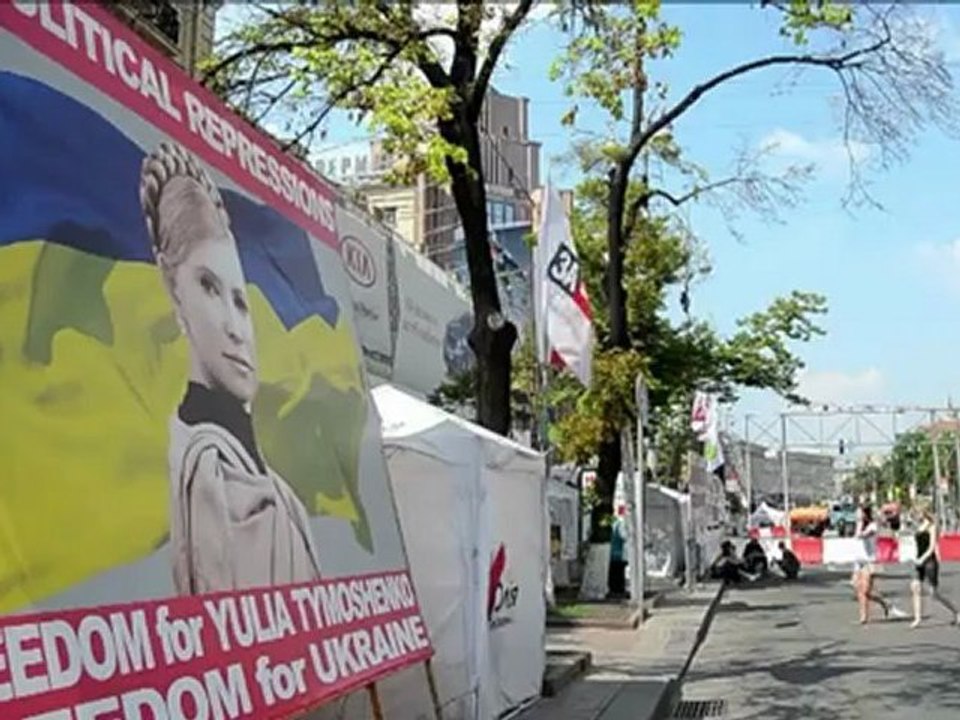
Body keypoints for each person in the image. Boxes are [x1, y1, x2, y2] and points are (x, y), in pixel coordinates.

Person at [140, 142, 322, 595]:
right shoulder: (208, 468)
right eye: (208, 286)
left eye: (240, 301)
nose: (235, 327)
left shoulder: (265, 477)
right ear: (171, 285)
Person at [910, 507, 960, 628]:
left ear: (924, 512)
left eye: (918, 513)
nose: (917, 516)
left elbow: (932, 546)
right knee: (915, 587)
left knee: (934, 593)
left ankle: (956, 611)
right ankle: (917, 618)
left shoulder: (932, 526)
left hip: (929, 561)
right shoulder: (918, 526)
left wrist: (923, 558)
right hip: (918, 560)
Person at [854, 505, 893, 624]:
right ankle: (869, 612)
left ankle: (870, 613)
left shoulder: (873, 526)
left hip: (869, 561)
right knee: (859, 590)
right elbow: (857, 536)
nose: (857, 516)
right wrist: (859, 524)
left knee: (865, 590)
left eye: (859, 513)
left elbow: (862, 535)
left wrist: (860, 524)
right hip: (858, 561)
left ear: (865, 514)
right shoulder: (859, 525)